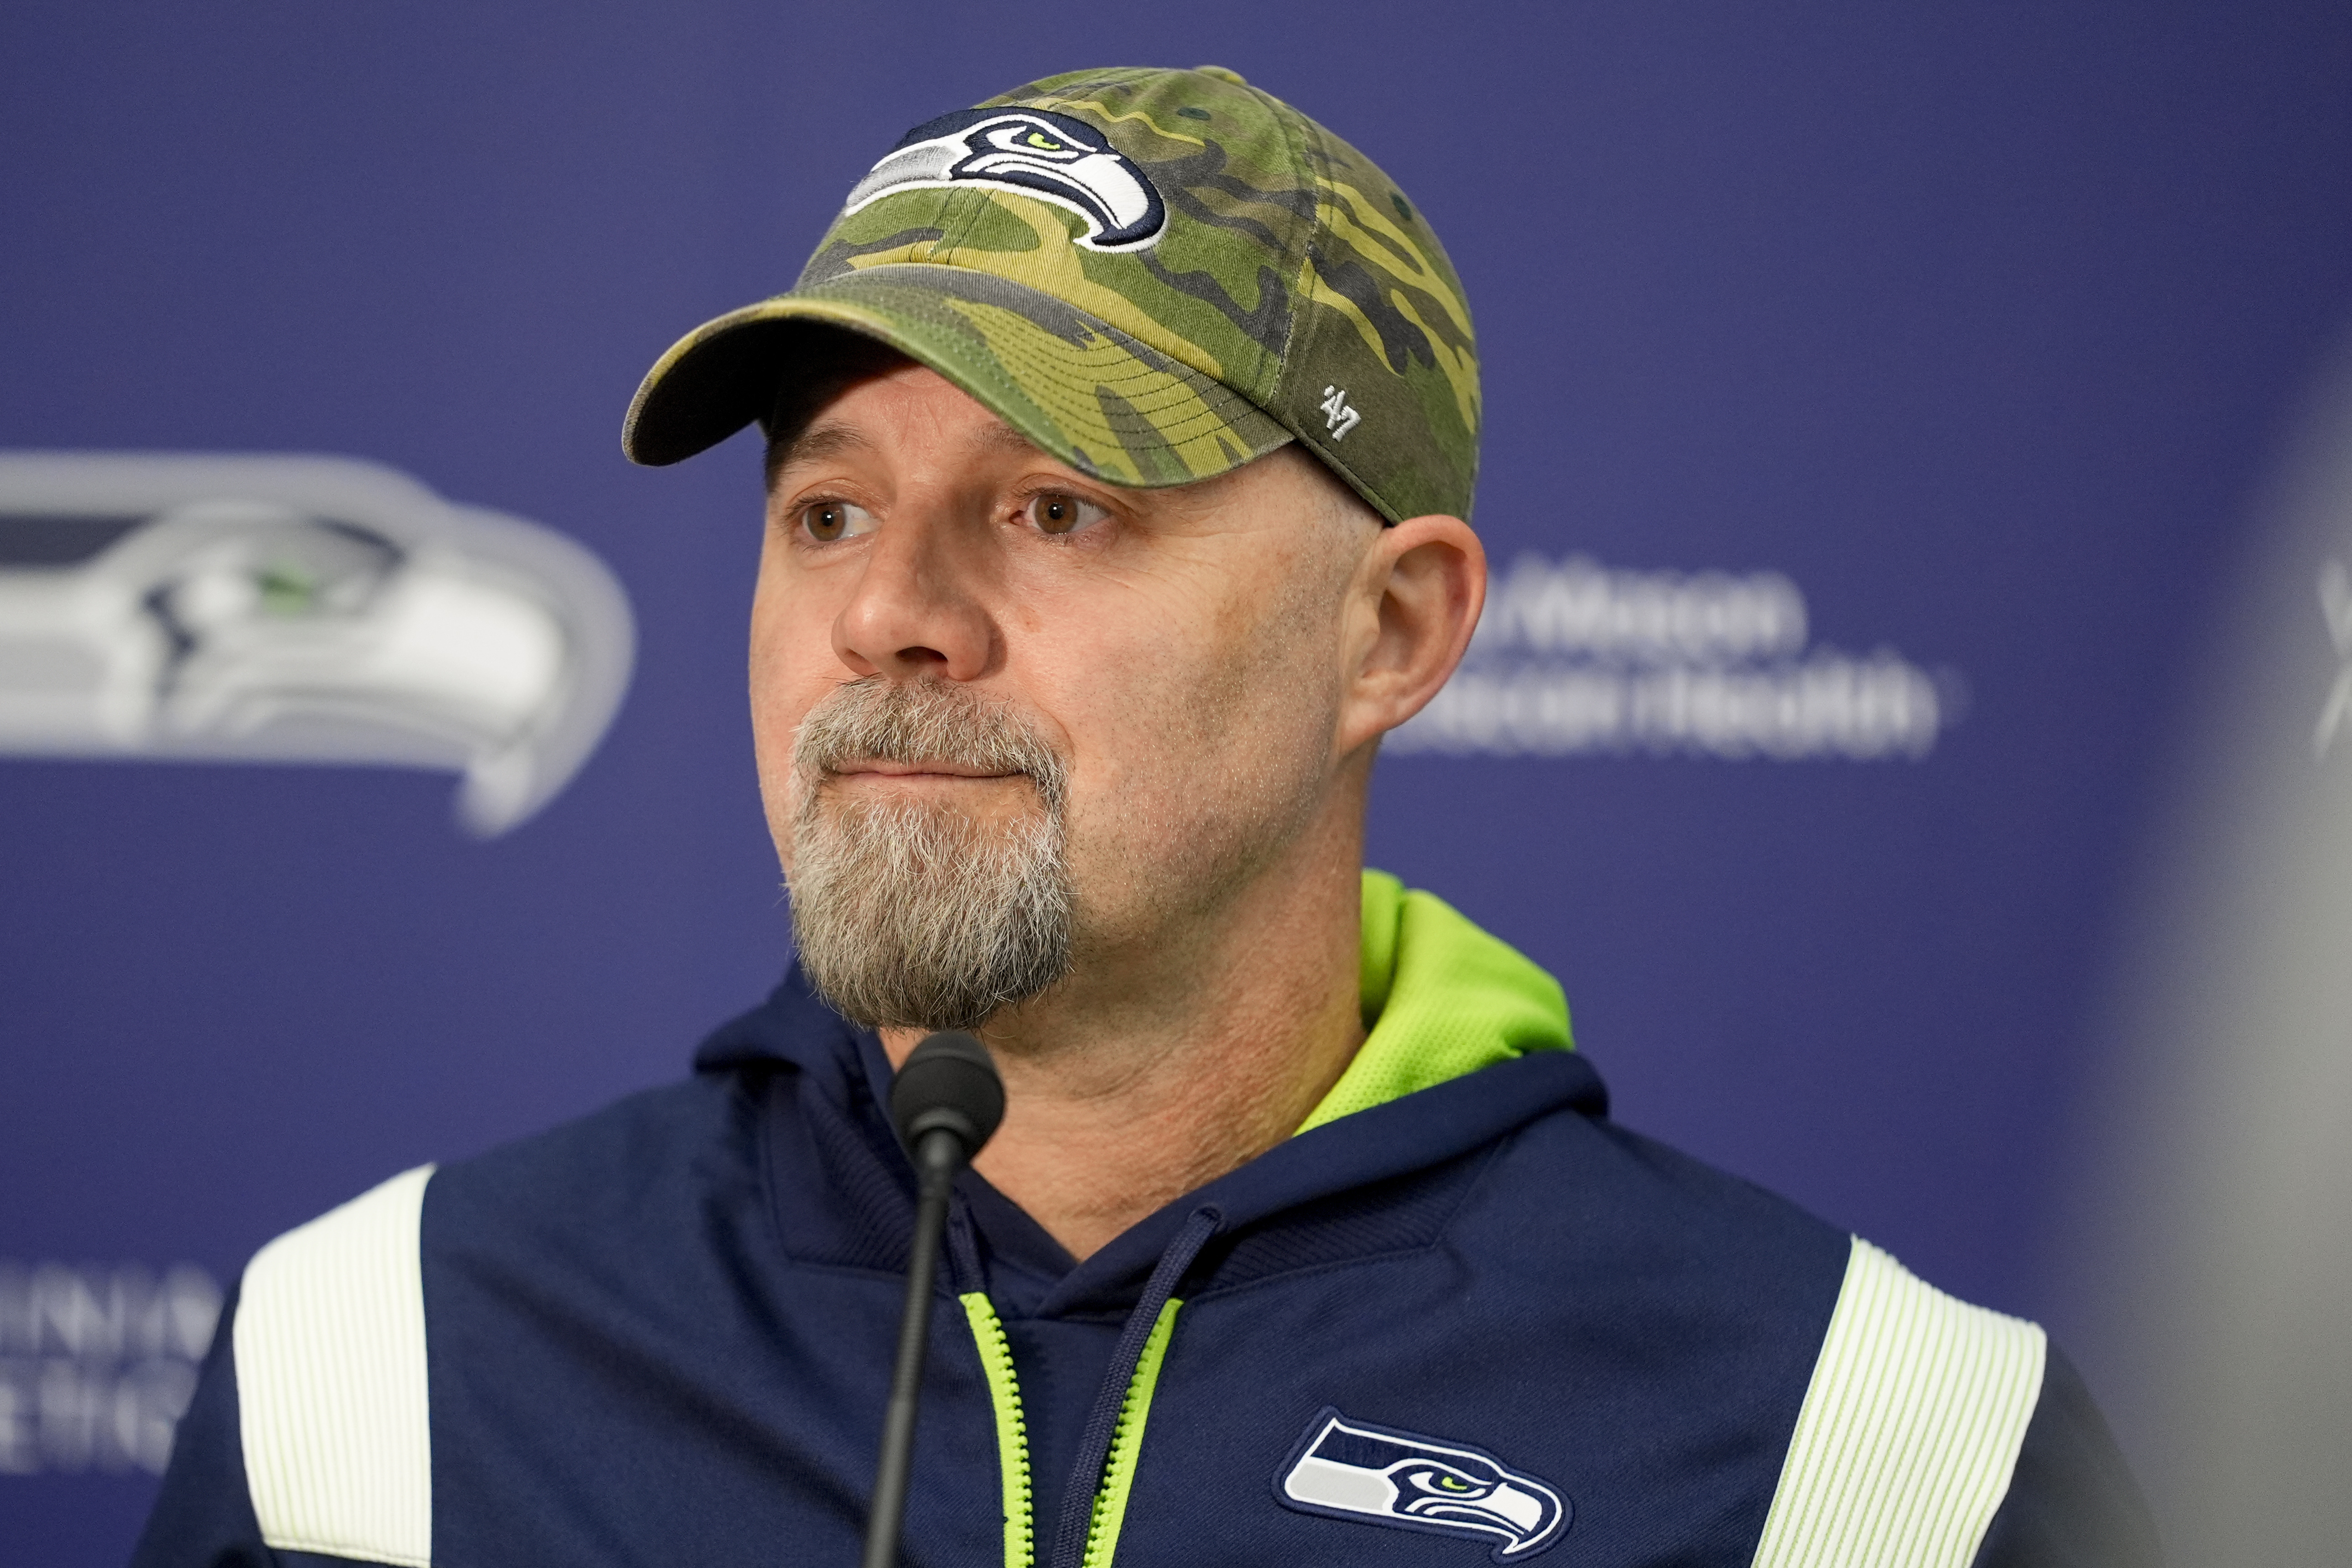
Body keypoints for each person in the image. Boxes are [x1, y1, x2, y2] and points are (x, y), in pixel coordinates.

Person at [133, 65, 2156, 1568]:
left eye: (1054, 509)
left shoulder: (1865, 1452)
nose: (889, 616)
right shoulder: (378, 1362)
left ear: (1390, 627)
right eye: (826, 508)